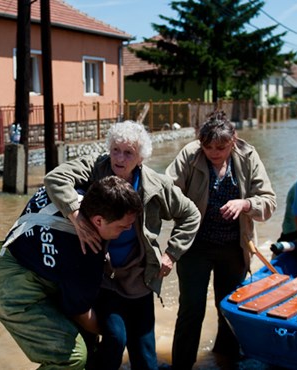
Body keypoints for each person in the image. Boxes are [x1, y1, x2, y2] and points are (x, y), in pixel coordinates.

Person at [44, 120, 201, 370]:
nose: (119, 158)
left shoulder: (156, 185)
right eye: (115, 149)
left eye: (128, 153)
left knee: (146, 360)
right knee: (115, 340)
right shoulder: (97, 167)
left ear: (140, 158)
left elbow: (191, 214)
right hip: (103, 277)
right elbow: (54, 178)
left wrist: (172, 253)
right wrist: (76, 216)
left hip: (140, 277)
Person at [0, 176, 143, 370]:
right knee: (72, 358)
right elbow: (82, 315)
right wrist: (116, 333)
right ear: (98, 221)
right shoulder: (85, 255)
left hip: (12, 257)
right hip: (12, 296)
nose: (128, 229)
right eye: (122, 226)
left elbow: (56, 176)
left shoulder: (69, 192)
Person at [164, 110, 276, 369]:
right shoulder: (190, 155)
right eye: (208, 146)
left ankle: (225, 360)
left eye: (221, 147)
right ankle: (182, 364)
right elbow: (165, 190)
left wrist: (246, 203)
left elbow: (269, 202)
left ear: (234, 140)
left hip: (235, 247)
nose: (214, 152)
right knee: (191, 309)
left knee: (229, 309)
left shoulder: (248, 156)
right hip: (195, 246)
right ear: (199, 141)